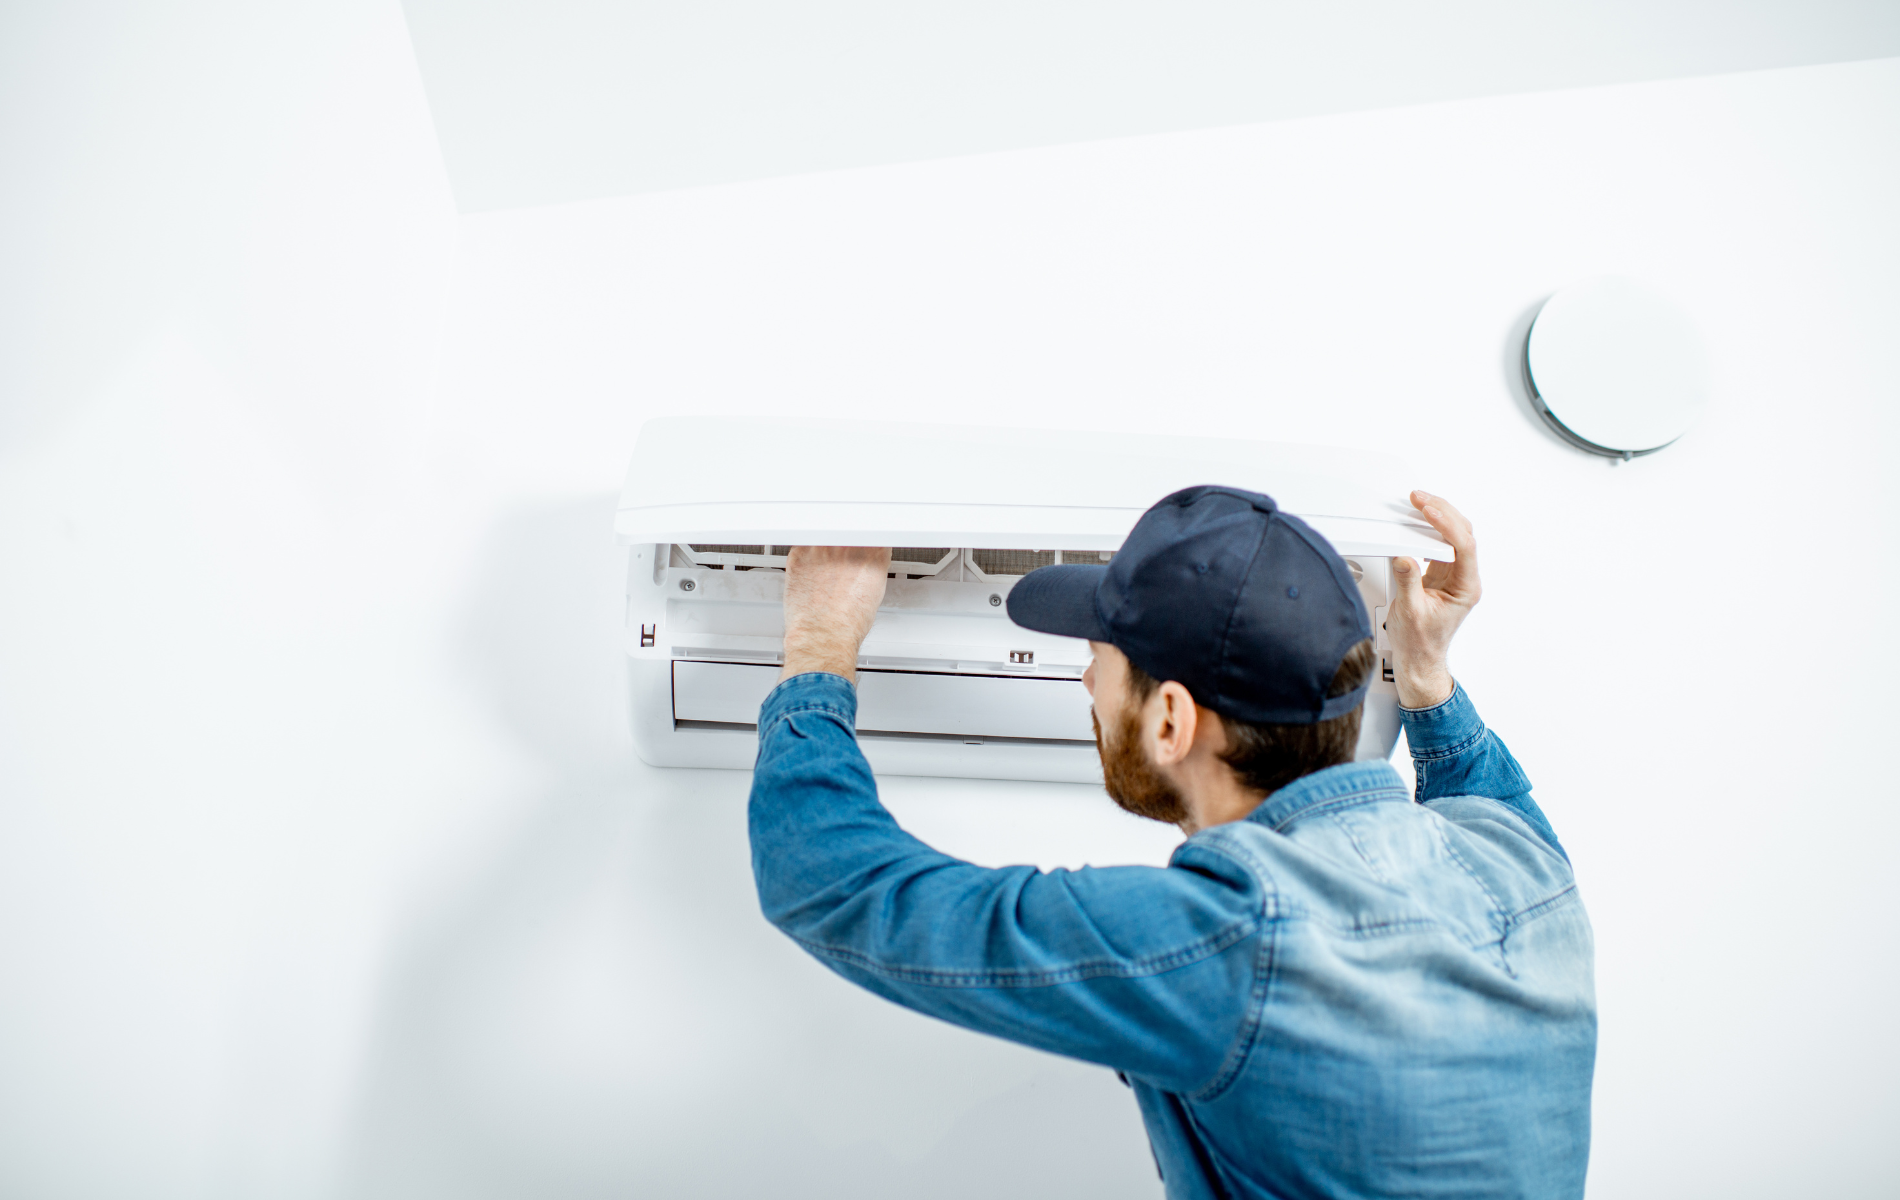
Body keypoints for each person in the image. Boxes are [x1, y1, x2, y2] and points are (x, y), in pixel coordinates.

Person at [748, 486, 1595, 1200]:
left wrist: (819, 643)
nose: (1086, 682)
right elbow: (1490, 796)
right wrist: (1428, 679)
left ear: (1170, 721)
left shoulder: (1225, 945)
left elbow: (836, 886)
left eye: (1100, 662)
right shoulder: (1520, 864)